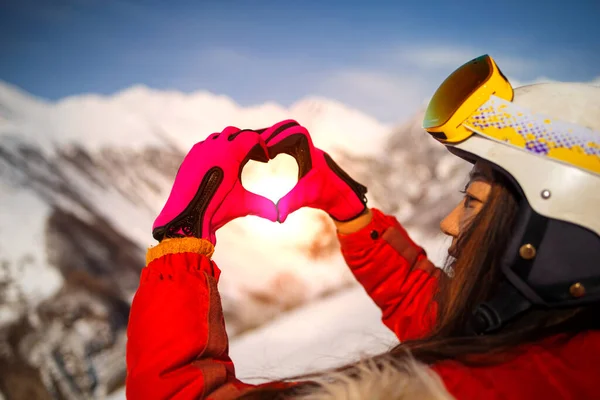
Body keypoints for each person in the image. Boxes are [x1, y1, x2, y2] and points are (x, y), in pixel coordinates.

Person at [125, 55, 600, 399]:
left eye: (473, 203)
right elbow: (439, 317)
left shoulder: (432, 392)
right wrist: (352, 213)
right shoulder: (557, 348)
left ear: (552, 233)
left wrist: (183, 236)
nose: (449, 222)